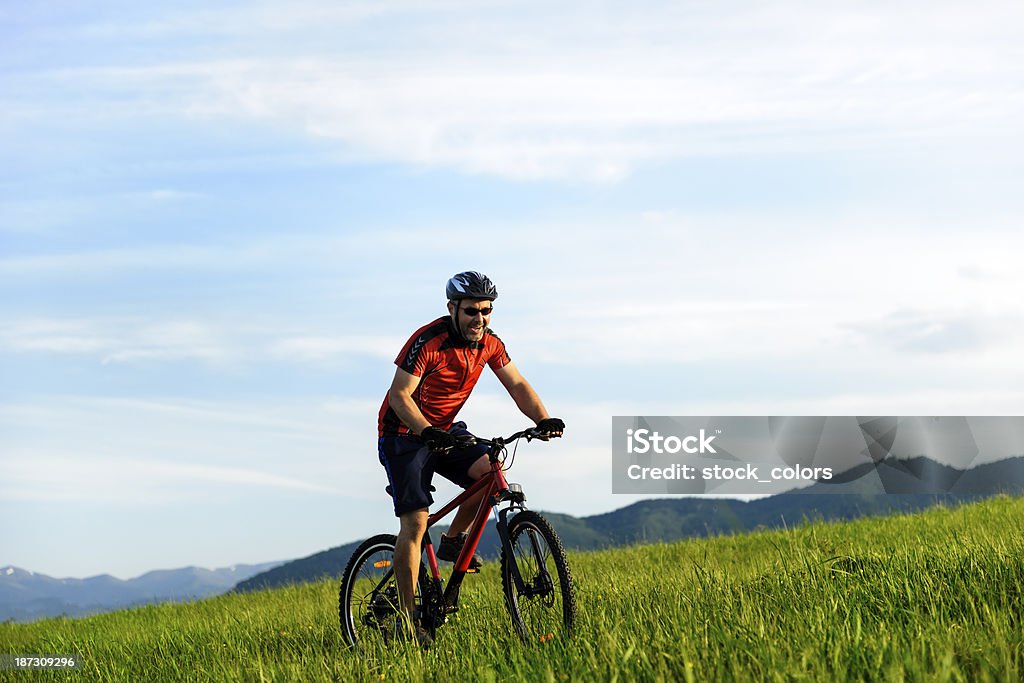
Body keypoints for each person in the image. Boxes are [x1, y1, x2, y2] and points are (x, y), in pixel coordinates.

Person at [377, 271, 564, 646]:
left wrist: (542, 419)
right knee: (415, 523)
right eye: (472, 311)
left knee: (490, 477)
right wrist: (425, 430)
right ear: (453, 309)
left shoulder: (490, 344)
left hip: (445, 429)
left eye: (486, 311)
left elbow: (517, 384)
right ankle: (410, 619)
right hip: (403, 435)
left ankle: (454, 540)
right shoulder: (428, 341)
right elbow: (400, 395)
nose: (480, 319)